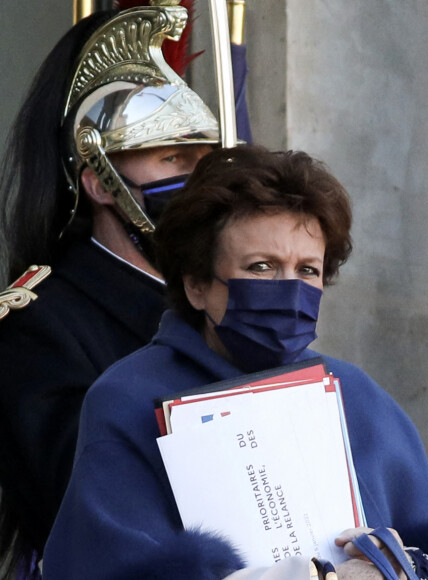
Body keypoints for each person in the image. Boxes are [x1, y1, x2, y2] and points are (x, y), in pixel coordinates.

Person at [43, 145, 428, 579]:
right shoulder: (125, 400)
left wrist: (408, 569)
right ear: (196, 286)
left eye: (307, 270)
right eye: (261, 267)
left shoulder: (358, 395)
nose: (288, 287)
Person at [0, 2, 220, 575]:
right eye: (174, 157)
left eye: (204, 161)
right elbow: (75, 503)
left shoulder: (222, 300)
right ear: (101, 183)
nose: (198, 183)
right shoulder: (38, 322)